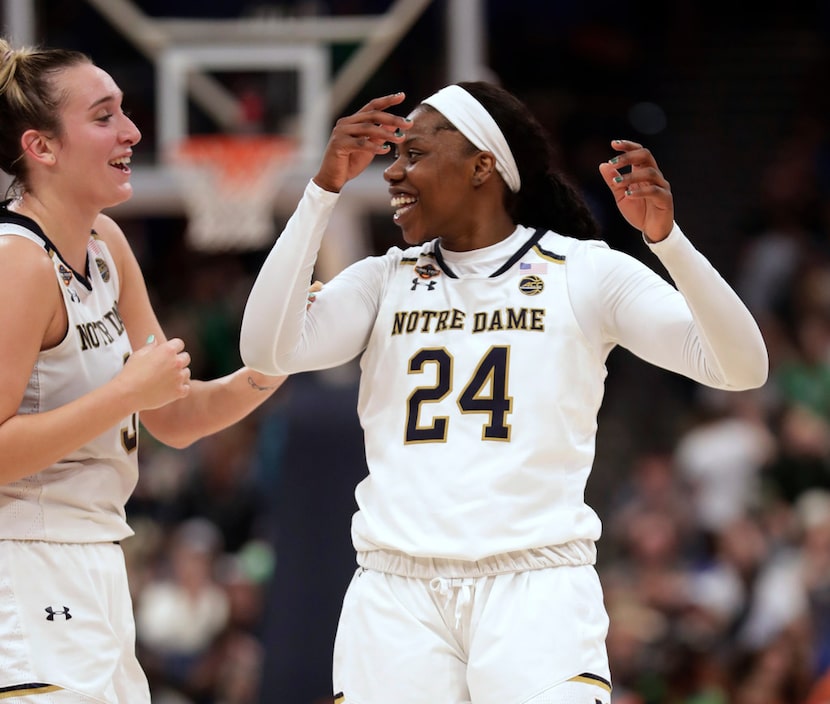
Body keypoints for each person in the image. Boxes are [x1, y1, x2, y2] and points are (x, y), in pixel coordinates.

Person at [239, 82, 769, 703]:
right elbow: (265, 350)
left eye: (414, 154)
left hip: (536, 587)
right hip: (395, 594)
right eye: (394, 157)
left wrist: (668, 242)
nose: (393, 173)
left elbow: (741, 366)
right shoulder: (383, 281)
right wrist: (320, 191)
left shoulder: (584, 272)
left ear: (482, 166)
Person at [0, 39, 287, 703]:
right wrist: (125, 392)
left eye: (124, 112)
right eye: (103, 117)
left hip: (96, 557)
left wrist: (274, 365)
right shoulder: (17, 263)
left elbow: (173, 416)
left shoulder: (107, 245)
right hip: (24, 561)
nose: (131, 131)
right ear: (41, 148)